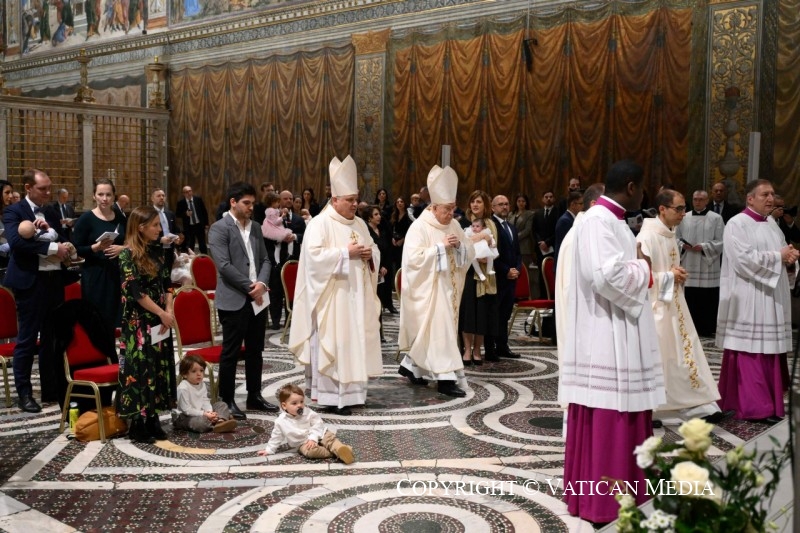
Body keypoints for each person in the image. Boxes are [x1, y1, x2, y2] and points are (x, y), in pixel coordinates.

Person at [559, 160, 665, 524]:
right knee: (610, 410)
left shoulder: (613, 220)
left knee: (625, 405)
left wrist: (638, 265)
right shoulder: (597, 221)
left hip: (618, 326)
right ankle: (604, 501)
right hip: (604, 333)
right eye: (643, 188)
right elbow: (604, 276)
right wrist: (645, 270)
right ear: (632, 187)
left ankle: (630, 491)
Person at [288, 155, 383, 416]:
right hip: (332, 299)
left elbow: (374, 250)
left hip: (357, 297)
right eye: (350, 200)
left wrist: (369, 256)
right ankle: (331, 397)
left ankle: (353, 395)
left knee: (354, 344)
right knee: (335, 345)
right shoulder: (320, 224)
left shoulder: (361, 224)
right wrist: (344, 253)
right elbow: (313, 259)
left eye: (356, 199)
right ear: (335, 200)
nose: (355, 204)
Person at [636, 189, 727, 423]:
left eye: (684, 208)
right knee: (664, 360)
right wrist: (669, 275)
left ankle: (699, 406)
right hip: (656, 309)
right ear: (663, 209)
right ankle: (654, 408)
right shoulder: (646, 238)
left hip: (675, 305)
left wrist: (674, 275)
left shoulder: (669, 234)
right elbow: (639, 278)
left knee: (685, 356)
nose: (683, 213)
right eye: (678, 209)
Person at [716, 179, 798, 424]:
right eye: (765, 194)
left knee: (768, 349)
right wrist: (778, 257)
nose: (771, 198)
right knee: (751, 349)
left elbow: (783, 249)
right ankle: (754, 407)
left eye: (772, 194)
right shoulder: (737, 224)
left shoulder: (772, 223)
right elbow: (742, 259)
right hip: (750, 297)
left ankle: (768, 403)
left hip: (771, 296)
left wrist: (790, 257)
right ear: (750, 198)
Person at [398, 165, 474, 396]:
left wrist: (460, 245)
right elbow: (413, 260)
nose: (451, 213)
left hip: (449, 289)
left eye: (453, 208)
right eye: (446, 209)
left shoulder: (454, 225)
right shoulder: (419, 227)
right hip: (430, 289)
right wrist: (441, 248)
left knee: (437, 332)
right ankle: (446, 379)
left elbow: (468, 251)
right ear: (433, 206)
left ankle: (411, 367)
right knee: (438, 331)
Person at [2, 169, 71, 412]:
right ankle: (24, 394)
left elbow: (63, 237)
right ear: (29, 187)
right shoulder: (13, 211)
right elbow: (18, 244)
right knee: (28, 340)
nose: (48, 192)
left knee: (52, 339)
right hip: (30, 283)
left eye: (49, 187)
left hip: (53, 281)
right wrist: (52, 247)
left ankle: (51, 389)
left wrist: (60, 243)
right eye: (43, 188)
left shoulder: (50, 211)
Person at [208, 182, 277, 420]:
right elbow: (224, 265)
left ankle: (254, 395)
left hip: (258, 298)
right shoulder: (219, 228)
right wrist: (251, 287)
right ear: (233, 202)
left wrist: (262, 284)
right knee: (231, 351)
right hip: (235, 298)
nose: (250, 207)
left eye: (253, 203)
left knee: (256, 350)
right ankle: (226, 399)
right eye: (246, 203)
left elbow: (265, 260)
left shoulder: (256, 227)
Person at [117, 206, 175, 443]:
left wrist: (169, 311)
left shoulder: (157, 252)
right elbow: (136, 292)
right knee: (141, 371)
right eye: (154, 225)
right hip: (138, 323)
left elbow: (168, 283)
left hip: (160, 321)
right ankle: (138, 423)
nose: (158, 229)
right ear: (141, 228)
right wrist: (162, 312)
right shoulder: (126, 255)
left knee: (158, 369)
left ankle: (153, 417)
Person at [555, 184, 604, 359]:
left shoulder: (590, 231)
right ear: (593, 204)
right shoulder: (578, 235)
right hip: (582, 315)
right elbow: (571, 288)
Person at [71, 178, 127, 331]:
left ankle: (114, 353)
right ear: (94, 196)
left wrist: (122, 248)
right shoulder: (86, 219)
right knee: (97, 320)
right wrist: (95, 247)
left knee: (117, 318)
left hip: (117, 272)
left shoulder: (120, 218)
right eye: (100, 194)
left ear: (114, 196)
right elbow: (75, 249)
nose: (104, 198)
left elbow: (130, 241)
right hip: (95, 273)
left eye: (108, 195)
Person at [257, 384, 355, 464]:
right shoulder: (280, 422)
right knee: (311, 452)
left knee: (330, 440)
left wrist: (313, 438)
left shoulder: (308, 412)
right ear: (284, 405)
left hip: (319, 433)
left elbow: (318, 424)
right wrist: (269, 449)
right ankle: (341, 452)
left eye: (301, 402)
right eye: (294, 403)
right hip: (302, 443)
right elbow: (276, 436)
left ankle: (339, 448)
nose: (299, 405)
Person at [675, 190, 724, 337]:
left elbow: (721, 241)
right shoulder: (684, 217)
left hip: (707, 265)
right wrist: (682, 246)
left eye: (701, 199)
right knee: (690, 296)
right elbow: (675, 237)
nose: (697, 202)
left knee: (707, 297)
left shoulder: (716, 218)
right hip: (688, 261)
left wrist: (704, 247)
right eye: (695, 199)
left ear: (707, 200)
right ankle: (689, 327)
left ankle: (706, 328)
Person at [457, 190, 498, 365]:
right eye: (473, 201)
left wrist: (487, 251)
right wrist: (481, 237)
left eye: (479, 202)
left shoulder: (491, 223)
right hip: (467, 272)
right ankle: (466, 349)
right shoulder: (463, 222)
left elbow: (495, 247)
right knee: (468, 313)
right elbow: (461, 245)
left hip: (484, 274)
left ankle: (477, 349)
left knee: (481, 313)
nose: (475, 204)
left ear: (485, 205)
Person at [484, 195, 522, 360]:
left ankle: (502, 346)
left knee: (505, 314)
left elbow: (518, 253)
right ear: (493, 208)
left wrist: (517, 269)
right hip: (497, 276)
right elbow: (491, 254)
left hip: (511, 279)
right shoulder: (491, 226)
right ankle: (490, 348)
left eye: (506, 204)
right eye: (500, 205)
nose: (505, 207)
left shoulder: (511, 227)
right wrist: (506, 270)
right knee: (493, 314)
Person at [266, 190, 305, 330]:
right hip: (276, 260)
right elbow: (266, 236)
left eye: (290, 198)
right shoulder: (271, 218)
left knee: (294, 291)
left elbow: (305, 236)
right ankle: (275, 321)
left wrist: (294, 236)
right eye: (285, 198)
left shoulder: (299, 220)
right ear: (279, 201)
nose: (288, 201)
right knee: (275, 292)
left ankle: (293, 319)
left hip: (293, 260)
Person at [173, 354, 237, 434]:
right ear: (184, 374)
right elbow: (187, 410)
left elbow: (205, 400)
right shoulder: (183, 388)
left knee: (221, 404)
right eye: (194, 371)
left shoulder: (201, 384)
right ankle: (220, 420)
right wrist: (205, 414)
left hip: (201, 412)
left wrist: (209, 412)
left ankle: (220, 422)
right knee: (200, 423)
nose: (199, 374)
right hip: (185, 417)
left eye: (201, 370)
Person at [362, 205, 396, 314]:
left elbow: (388, 248)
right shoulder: (366, 232)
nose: (379, 217)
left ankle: (388, 305)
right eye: (376, 215)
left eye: (379, 214)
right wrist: (379, 266)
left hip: (385, 268)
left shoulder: (382, 230)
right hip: (374, 269)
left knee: (385, 292)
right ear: (369, 218)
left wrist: (385, 266)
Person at [152, 188, 183, 272]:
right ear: (152, 198)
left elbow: (175, 230)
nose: (161, 198)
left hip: (169, 250)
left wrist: (177, 238)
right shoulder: (149, 214)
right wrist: (160, 240)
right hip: (155, 251)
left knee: (168, 276)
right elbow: (144, 235)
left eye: (163, 196)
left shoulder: (170, 214)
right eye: (158, 196)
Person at [261, 192, 294, 263]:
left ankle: (280, 260)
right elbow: (275, 222)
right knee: (281, 244)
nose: (278, 204)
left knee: (279, 246)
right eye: (277, 202)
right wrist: (282, 217)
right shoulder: (271, 211)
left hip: (274, 228)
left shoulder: (273, 210)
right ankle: (288, 255)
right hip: (273, 229)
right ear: (272, 202)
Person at [175, 185, 209, 254]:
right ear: (184, 193)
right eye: (186, 192)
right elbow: (177, 214)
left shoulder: (198, 199)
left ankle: (205, 258)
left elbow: (204, 212)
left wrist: (206, 224)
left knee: (202, 244)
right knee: (190, 244)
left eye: (190, 191)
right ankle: (191, 260)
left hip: (199, 225)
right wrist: (185, 214)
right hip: (189, 227)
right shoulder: (181, 203)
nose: (189, 193)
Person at [554, 191, 583, 263]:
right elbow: (567, 246)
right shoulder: (565, 221)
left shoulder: (572, 219)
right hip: (564, 262)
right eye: (581, 203)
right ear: (573, 204)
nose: (583, 206)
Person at [508, 193, 535, 270]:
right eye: (519, 201)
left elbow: (527, 230)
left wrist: (515, 237)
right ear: (516, 202)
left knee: (524, 270)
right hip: (512, 246)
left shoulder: (530, 214)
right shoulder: (511, 214)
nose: (521, 203)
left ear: (526, 203)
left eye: (523, 201)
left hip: (524, 247)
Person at [389, 196, 411, 274]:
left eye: (401, 202)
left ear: (405, 203)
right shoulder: (394, 215)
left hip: (404, 242)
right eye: (398, 202)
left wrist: (403, 239)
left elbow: (410, 230)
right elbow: (391, 228)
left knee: (403, 263)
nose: (399, 203)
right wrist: (392, 238)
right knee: (395, 264)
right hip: (395, 242)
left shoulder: (409, 215)